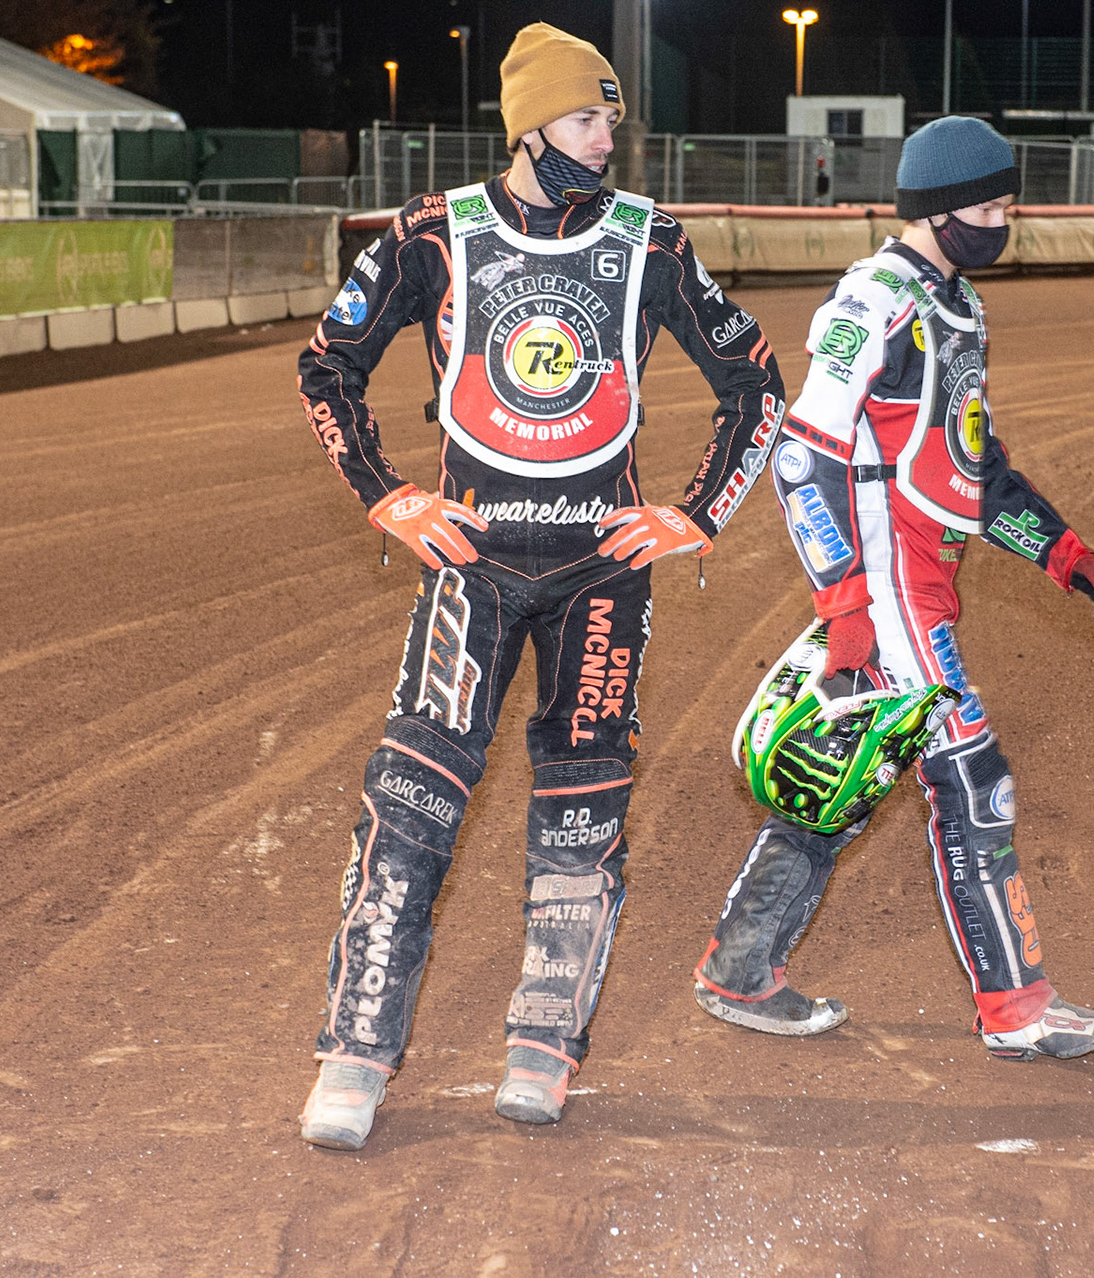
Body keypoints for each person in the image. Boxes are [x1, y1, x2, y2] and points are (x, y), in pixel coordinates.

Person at [296, 23, 786, 1149]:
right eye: (585, 118)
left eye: (613, 119)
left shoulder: (651, 241)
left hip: (600, 577)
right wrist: (386, 494)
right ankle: (355, 1060)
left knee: (582, 820)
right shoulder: (435, 234)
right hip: (468, 570)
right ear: (528, 126)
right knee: (410, 810)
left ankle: (542, 1051)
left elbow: (754, 383)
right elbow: (327, 362)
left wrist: (698, 512)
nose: (607, 140)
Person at [692, 116, 1094, 1062]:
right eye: (988, 204)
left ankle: (738, 967)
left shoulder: (957, 303)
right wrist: (846, 612)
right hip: (888, 590)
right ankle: (1018, 1011)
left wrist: (1061, 552)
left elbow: (974, 463)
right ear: (936, 209)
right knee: (976, 783)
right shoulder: (878, 296)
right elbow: (802, 456)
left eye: (1008, 202)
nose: (1002, 219)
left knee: (851, 775)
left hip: (922, 580)